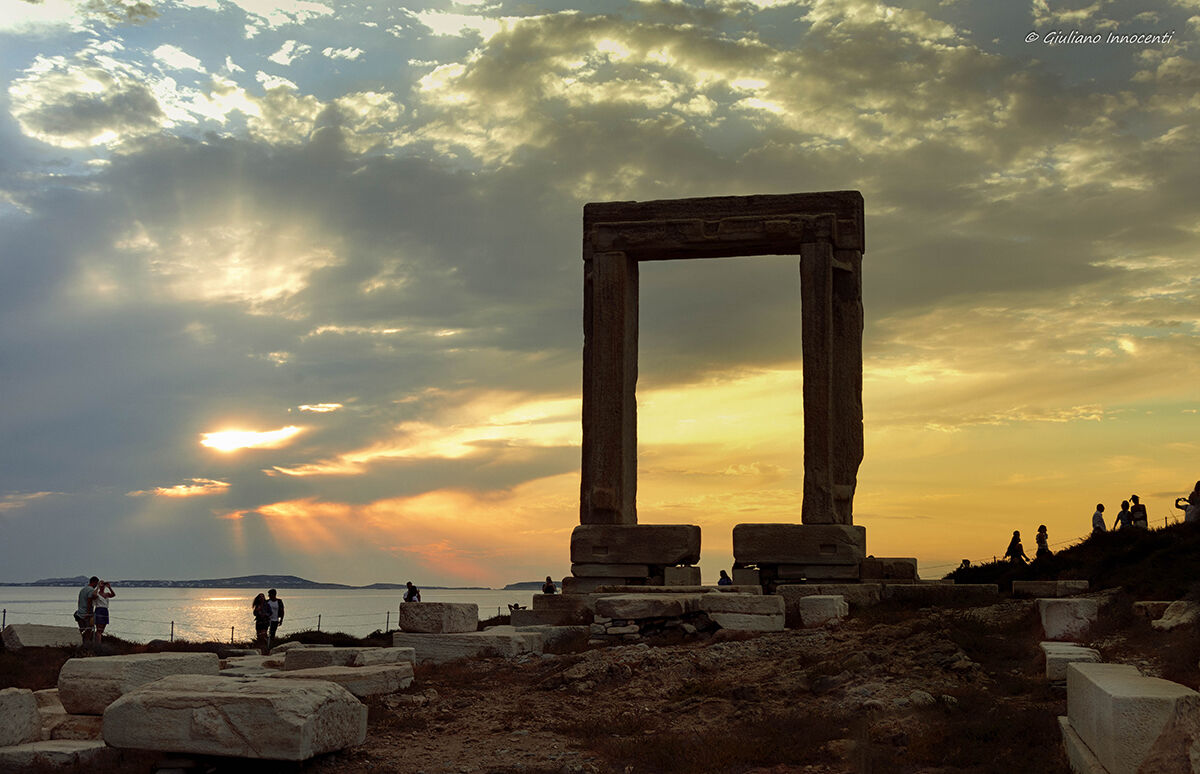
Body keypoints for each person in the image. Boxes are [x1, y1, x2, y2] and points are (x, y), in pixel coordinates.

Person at [74, 577, 99, 647]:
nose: (96, 585)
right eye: (96, 584)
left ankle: (83, 644)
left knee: (82, 630)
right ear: (94, 582)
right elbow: (89, 602)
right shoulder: (91, 590)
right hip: (86, 613)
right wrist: (89, 613)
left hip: (80, 612)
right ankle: (86, 645)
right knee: (88, 630)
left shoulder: (83, 589)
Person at [92, 579, 116, 645]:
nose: (102, 586)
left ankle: (97, 642)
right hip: (99, 610)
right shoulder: (97, 594)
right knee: (99, 629)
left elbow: (113, 595)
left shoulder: (107, 594)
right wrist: (98, 586)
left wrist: (109, 587)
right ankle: (98, 644)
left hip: (105, 611)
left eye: (103, 585)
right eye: (101, 585)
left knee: (102, 630)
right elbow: (93, 595)